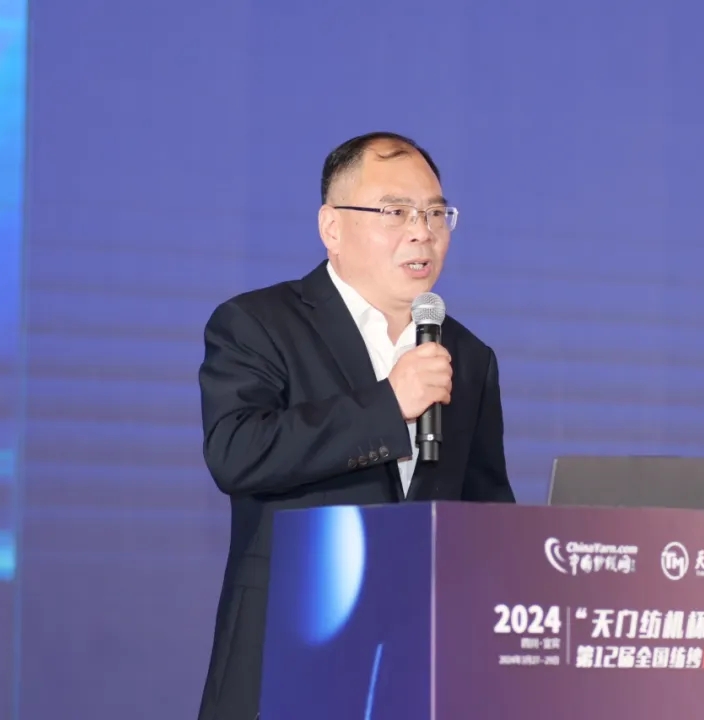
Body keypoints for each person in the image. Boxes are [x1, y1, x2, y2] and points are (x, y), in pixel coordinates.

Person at [194, 132, 516, 720]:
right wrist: (389, 405)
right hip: (286, 660)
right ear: (332, 228)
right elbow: (236, 452)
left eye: (436, 213)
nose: (422, 232)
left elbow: (485, 513)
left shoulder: (468, 356)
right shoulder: (258, 323)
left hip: (416, 673)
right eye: (396, 212)